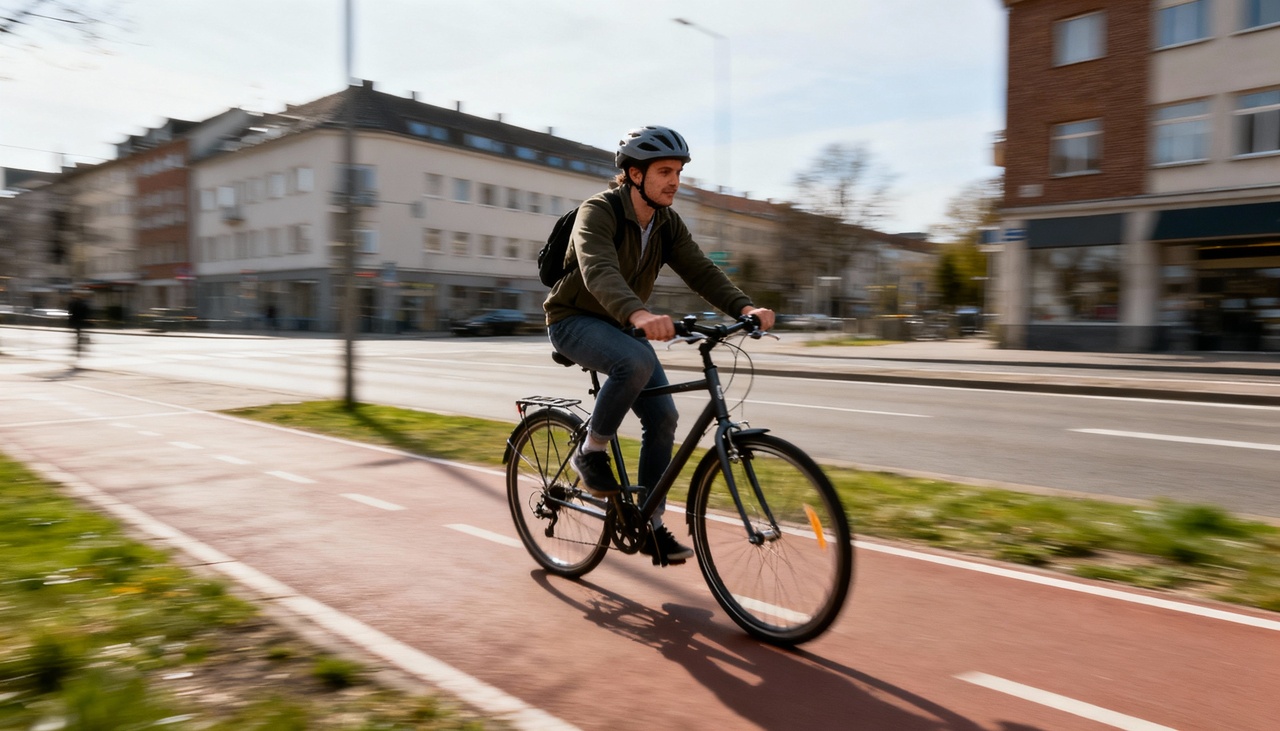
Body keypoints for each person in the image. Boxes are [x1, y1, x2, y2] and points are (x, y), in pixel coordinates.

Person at [544, 125, 776, 564]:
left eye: (678, 172)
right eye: (664, 171)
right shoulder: (598, 212)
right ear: (633, 174)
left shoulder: (667, 223)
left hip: (623, 324)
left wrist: (743, 309)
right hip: (574, 320)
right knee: (632, 362)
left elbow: (701, 270)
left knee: (664, 417)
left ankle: (648, 523)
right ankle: (589, 452)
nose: (674, 181)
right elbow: (598, 270)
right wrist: (640, 314)